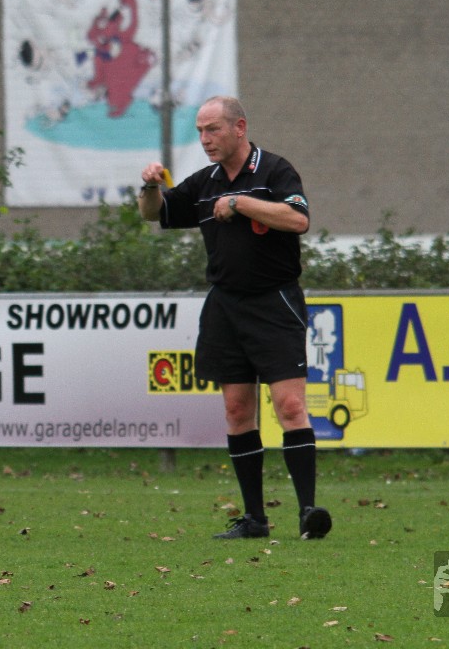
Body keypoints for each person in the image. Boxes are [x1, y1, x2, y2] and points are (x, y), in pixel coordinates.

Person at [138, 95, 331, 540]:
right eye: (200, 131)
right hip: (225, 306)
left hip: (274, 301)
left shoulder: (274, 170)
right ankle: (255, 520)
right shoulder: (204, 182)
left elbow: (297, 220)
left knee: (290, 406)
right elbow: (155, 213)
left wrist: (240, 203)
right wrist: (149, 186)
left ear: (239, 128)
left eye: (213, 129)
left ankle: (308, 512)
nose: (205, 139)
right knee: (237, 410)